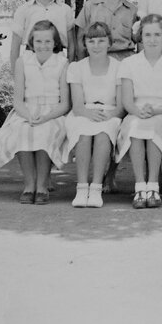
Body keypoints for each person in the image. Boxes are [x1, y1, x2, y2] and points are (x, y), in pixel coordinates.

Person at [0, 20, 71, 204]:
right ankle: (29, 184)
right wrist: (28, 116)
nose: (43, 45)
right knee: (22, 131)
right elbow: (18, 101)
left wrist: (46, 117)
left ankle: (42, 186)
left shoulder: (62, 63)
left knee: (45, 132)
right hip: (26, 110)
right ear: (31, 42)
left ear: (55, 42)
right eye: (38, 41)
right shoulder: (23, 61)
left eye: (48, 41)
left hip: (53, 112)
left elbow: (65, 104)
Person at [116, 14, 162, 209]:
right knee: (136, 126)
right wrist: (138, 111)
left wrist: (155, 110)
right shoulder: (129, 63)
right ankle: (140, 186)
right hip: (136, 112)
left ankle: (153, 186)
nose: (152, 39)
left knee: (153, 126)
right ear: (140, 37)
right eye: (147, 35)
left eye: (157, 35)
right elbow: (127, 101)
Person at [63, 21, 123, 208]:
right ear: (85, 44)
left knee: (103, 133)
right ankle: (82, 187)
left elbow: (121, 106)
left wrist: (108, 114)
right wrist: (89, 114)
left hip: (109, 113)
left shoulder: (119, 67)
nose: (96, 45)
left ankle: (96, 188)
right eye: (91, 41)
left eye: (101, 40)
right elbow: (77, 106)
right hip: (83, 112)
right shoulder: (76, 67)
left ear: (109, 42)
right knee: (84, 133)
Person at [9, 0, 76, 69]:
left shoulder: (65, 10)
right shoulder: (23, 10)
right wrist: (16, 75)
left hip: (58, 65)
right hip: (31, 65)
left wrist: (69, 70)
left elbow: (72, 46)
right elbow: (14, 48)